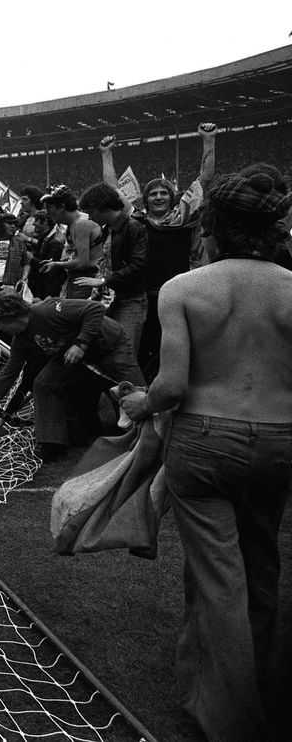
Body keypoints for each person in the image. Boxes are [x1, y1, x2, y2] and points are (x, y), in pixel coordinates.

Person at [120, 170, 292, 742]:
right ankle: (267, 685)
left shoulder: (185, 289)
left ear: (210, 227)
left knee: (217, 576)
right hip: (278, 441)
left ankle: (226, 715)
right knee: (263, 561)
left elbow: (170, 387)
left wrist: (139, 402)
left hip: (203, 443)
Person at [101, 123, 216, 380]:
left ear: (172, 197)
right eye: (153, 193)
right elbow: (112, 193)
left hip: (178, 294)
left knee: (175, 349)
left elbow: (205, 180)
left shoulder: (182, 218)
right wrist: (106, 154)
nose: (159, 197)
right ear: (146, 198)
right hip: (143, 297)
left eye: (164, 192)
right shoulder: (137, 220)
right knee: (141, 351)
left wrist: (209, 140)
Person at [0, 290, 143, 461]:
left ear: (11, 316)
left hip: (109, 346)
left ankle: (145, 438)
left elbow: (95, 308)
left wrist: (80, 343)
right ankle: (52, 444)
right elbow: (9, 373)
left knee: (134, 392)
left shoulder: (47, 311)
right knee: (44, 383)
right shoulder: (21, 339)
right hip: (73, 358)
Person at [73, 183, 149, 353]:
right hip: (112, 299)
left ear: (103, 207)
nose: (90, 218)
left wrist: (103, 280)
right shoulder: (109, 230)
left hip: (131, 301)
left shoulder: (133, 227)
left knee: (124, 354)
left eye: (91, 212)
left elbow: (139, 266)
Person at [38, 184, 104, 299]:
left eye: (49, 207)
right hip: (79, 278)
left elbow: (83, 263)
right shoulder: (72, 225)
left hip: (86, 279)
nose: (47, 212)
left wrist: (58, 264)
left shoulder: (81, 224)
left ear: (61, 206)